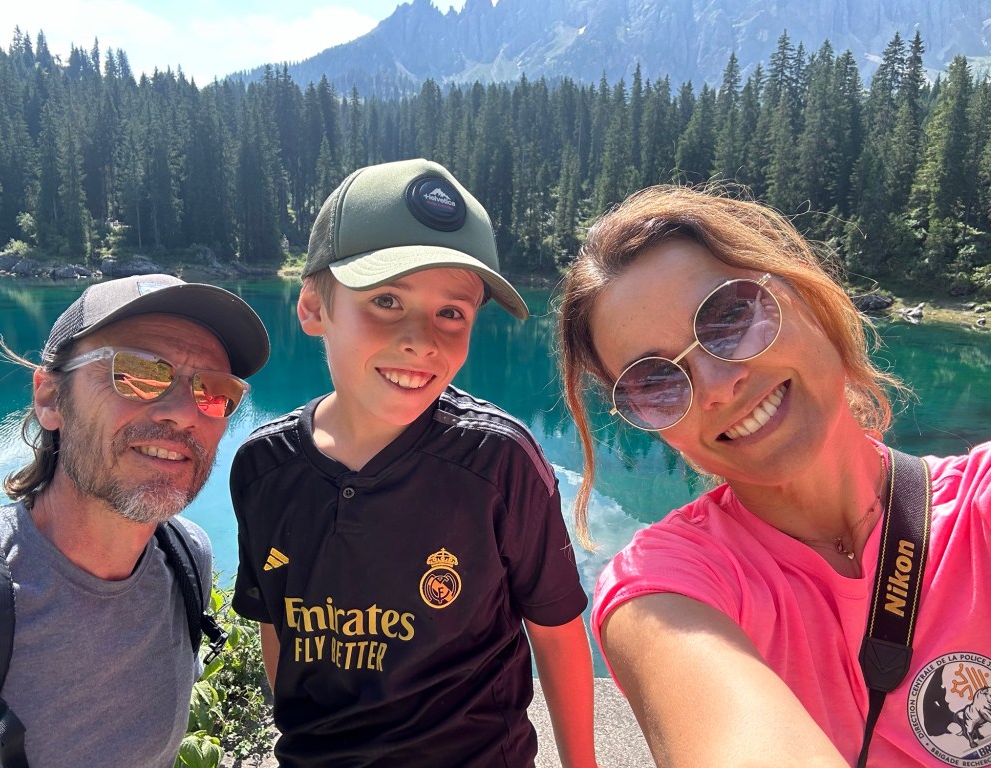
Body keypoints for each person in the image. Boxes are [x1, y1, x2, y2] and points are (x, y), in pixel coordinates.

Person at [556, 184, 991, 767]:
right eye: (655, 381)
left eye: (731, 316)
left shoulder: (979, 509)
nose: (716, 386)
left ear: (806, 294)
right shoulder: (665, 590)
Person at [231, 158, 598, 767]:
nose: (422, 340)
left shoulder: (499, 462)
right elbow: (277, 629)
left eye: (452, 313)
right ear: (314, 308)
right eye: (386, 299)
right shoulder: (262, 468)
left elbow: (556, 630)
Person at [0, 274, 269, 768]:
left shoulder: (186, 559)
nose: (184, 413)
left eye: (214, 391)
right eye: (137, 372)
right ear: (50, 399)